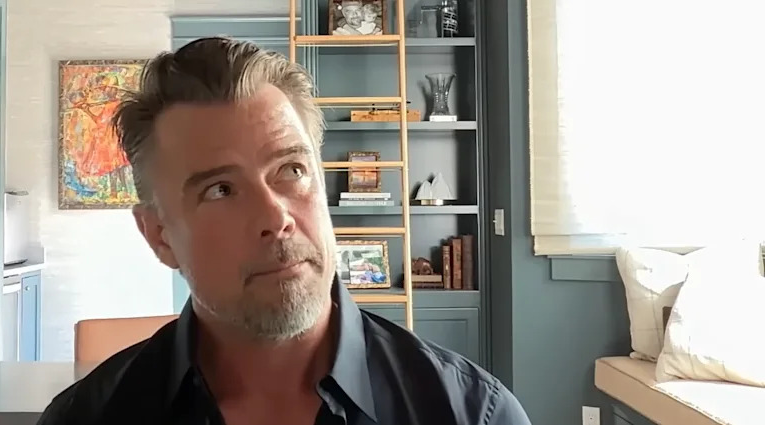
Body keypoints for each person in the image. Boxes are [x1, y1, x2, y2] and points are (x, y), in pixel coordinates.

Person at [36, 37, 531, 425]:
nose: (276, 218)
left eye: (291, 170)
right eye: (220, 190)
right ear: (159, 236)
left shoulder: (471, 414)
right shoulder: (88, 418)